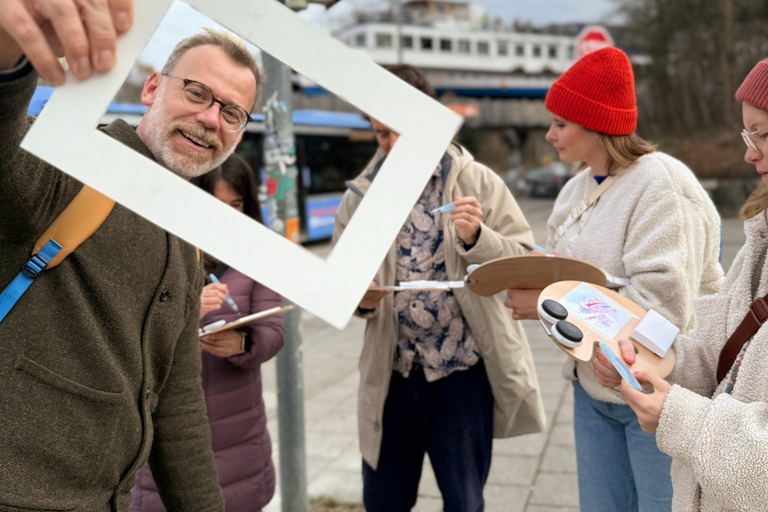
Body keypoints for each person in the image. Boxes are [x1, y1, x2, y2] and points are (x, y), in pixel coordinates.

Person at [0, 1, 261, 508]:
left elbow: (179, 406)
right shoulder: (68, 163)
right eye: (197, 92)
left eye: (231, 111)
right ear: (150, 88)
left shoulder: (186, 232)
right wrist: (9, 55)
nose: (211, 118)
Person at [504, 47, 724, 512]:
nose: (549, 135)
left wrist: (553, 296)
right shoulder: (573, 190)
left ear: (596, 124)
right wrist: (541, 284)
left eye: (561, 124)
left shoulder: (662, 187)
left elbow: (666, 308)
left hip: (659, 398)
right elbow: (567, 273)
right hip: (593, 388)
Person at [332, 64, 546, 512]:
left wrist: (477, 239)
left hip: (462, 378)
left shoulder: (478, 181)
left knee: (464, 503)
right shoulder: (361, 197)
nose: (387, 145)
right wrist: (361, 298)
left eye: (397, 133)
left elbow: (527, 262)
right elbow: (343, 280)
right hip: (392, 376)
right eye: (379, 134)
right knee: (384, 502)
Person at [593, 57, 768, 512]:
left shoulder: (662, 186)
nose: (750, 154)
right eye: (748, 137)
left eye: (764, 135)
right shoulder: (760, 244)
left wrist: (680, 418)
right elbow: (716, 350)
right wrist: (640, 360)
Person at [131, 153, 284, 512]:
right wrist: (188, 309)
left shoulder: (256, 256)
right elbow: (128, 332)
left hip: (240, 437)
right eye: (216, 204)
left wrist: (243, 342)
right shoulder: (159, 249)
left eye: (237, 204)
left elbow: (274, 329)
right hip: (165, 436)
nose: (227, 216)